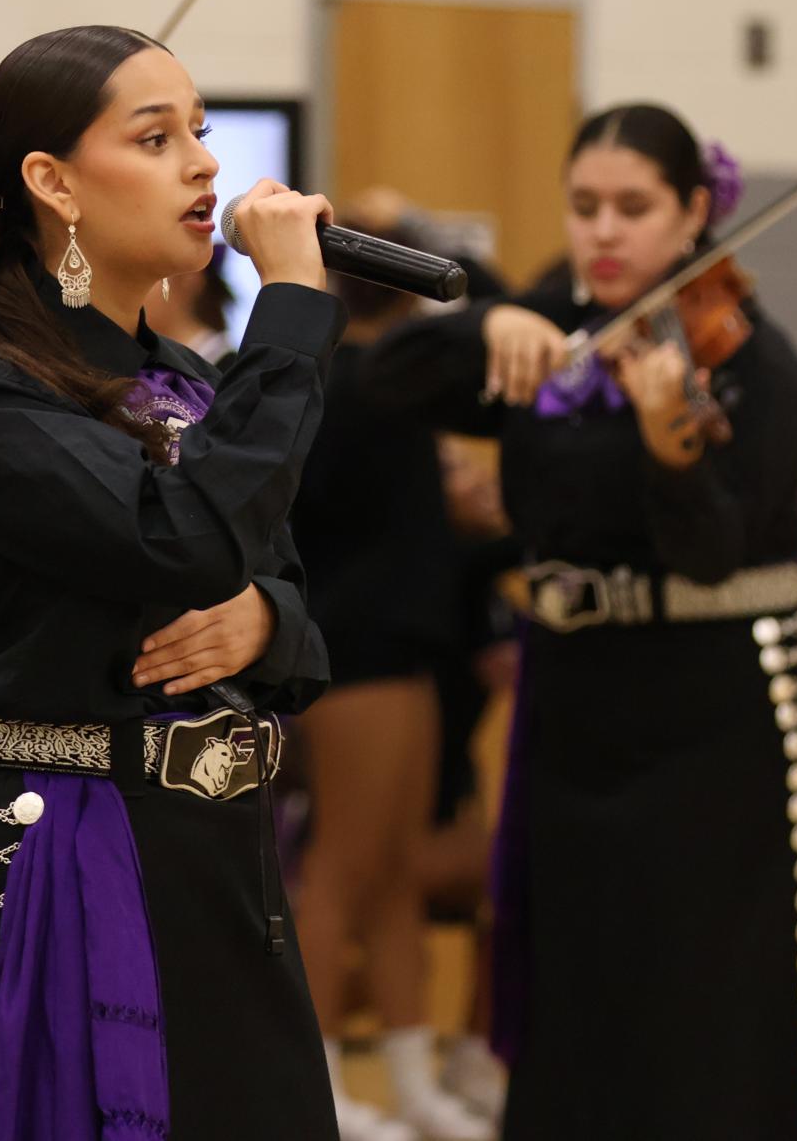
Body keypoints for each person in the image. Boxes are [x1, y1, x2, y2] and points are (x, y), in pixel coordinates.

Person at [367, 105, 797, 1140]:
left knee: (710, 991)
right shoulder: (562, 328)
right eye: (585, 205)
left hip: (720, 700)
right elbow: (384, 380)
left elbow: (712, 551)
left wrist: (671, 448)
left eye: (633, 208)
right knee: (580, 977)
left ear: (693, 212)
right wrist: (485, 320)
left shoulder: (755, 364)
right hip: (581, 698)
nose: (604, 230)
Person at [0, 25, 342, 1139]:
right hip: (66, 846)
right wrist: (289, 311)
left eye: (200, 129)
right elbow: (183, 539)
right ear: (52, 181)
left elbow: (296, 624)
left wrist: (261, 623)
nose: (202, 163)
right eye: (156, 136)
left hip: (217, 849)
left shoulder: (190, 380)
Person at [289, 217, 495, 1141]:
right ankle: (315, 1086)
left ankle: (412, 1084)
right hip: (356, 653)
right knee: (342, 869)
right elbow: (488, 304)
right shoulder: (357, 380)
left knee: (399, 876)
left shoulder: (379, 383)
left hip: (407, 650)